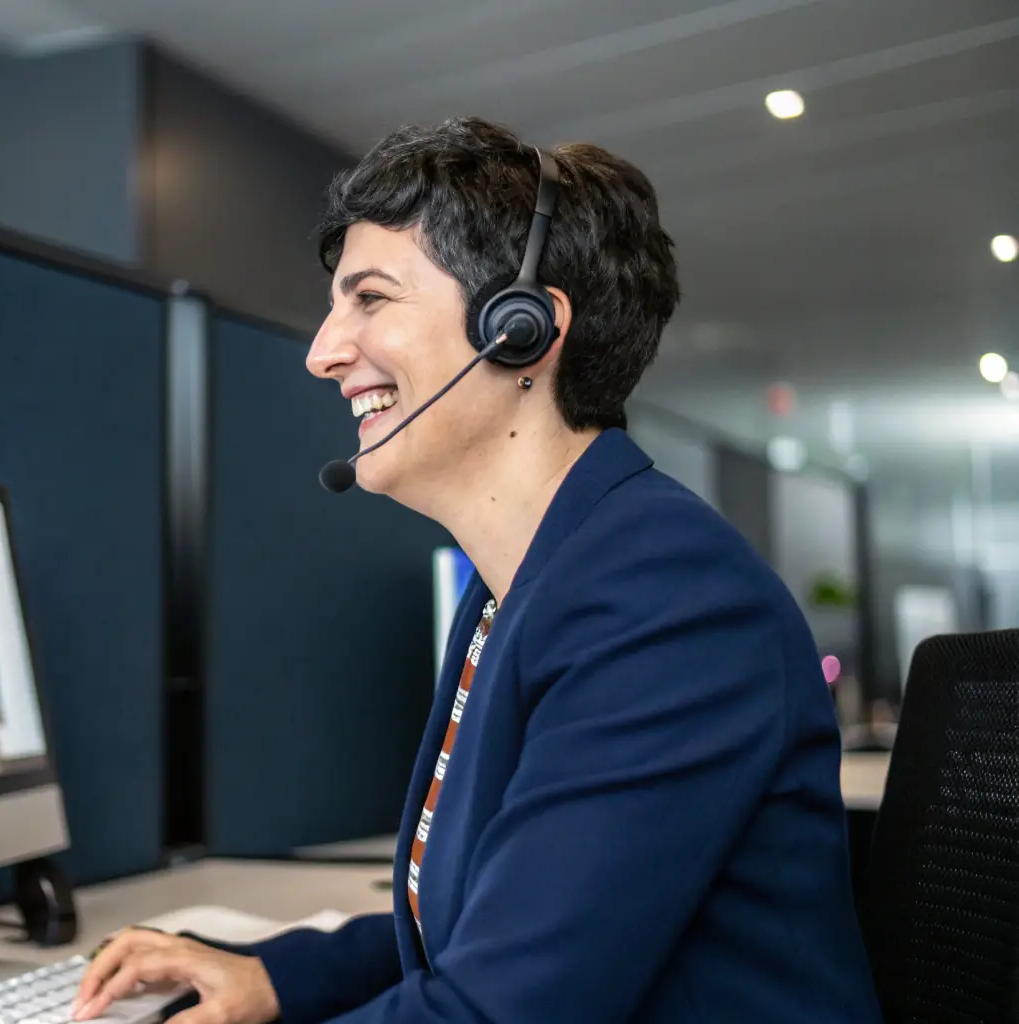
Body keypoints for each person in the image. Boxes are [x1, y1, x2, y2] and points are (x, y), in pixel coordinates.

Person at [73, 118, 882, 1023]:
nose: (322, 350)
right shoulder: (538, 576)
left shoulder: (662, 598)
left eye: (370, 298)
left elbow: (503, 1010)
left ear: (521, 331)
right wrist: (274, 978)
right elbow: (505, 922)